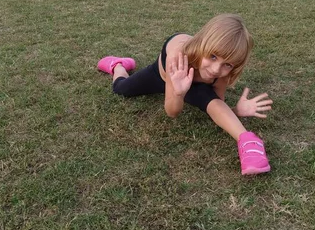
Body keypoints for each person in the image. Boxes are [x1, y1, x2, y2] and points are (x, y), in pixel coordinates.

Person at [97, 14, 273, 175]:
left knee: (210, 100)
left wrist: (235, 110)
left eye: (227, 64)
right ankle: (118, 65)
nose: (216, 69)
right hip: (165, 75)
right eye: (212, 56)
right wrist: (179, 93)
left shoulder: (220, 74)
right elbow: (172, 112)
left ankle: (249, 142)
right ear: (204, 44)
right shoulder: (178, 57)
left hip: (194, 85)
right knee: (121, 90)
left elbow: (217, 109)